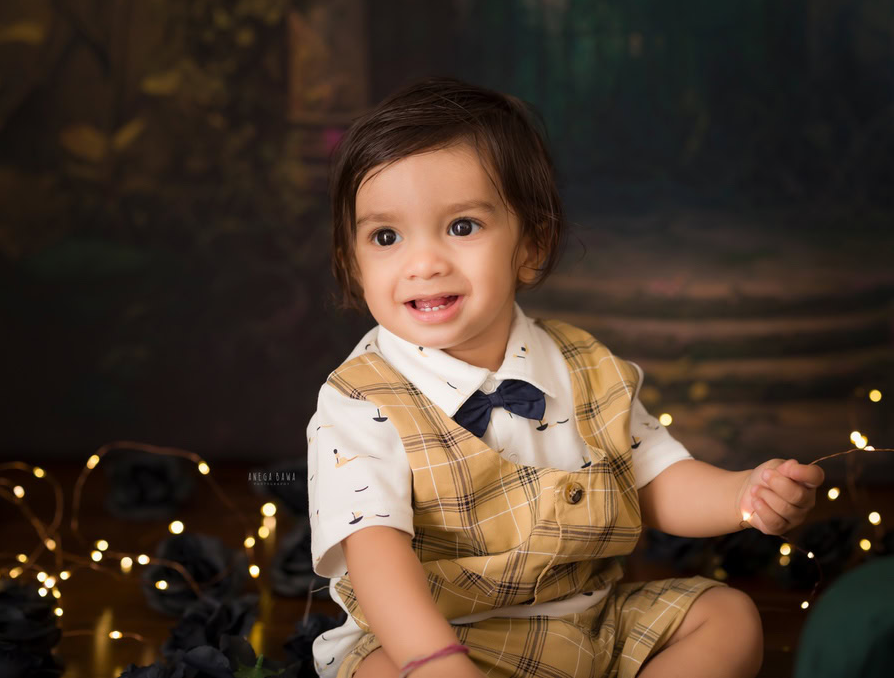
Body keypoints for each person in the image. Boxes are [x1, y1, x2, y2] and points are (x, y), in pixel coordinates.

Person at [305, 76, 825, 678]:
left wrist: (743, 495)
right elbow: (375, 555)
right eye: (386, 237)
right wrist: (436, 662)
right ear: (352, 261)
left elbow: (654, 478)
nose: (424, 264)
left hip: (588, 623)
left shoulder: (583, 366)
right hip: (438, 639)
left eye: (463, 226)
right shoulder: (359, 401)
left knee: (727, 617)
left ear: (532, 244)